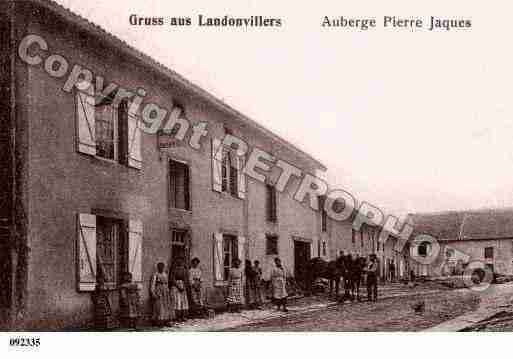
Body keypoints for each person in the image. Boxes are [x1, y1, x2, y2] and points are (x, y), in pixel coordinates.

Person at [150, 262, 173, 326]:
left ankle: (166, 320)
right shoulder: (155, 275)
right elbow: (153, 284)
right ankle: (158, 321)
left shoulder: (165, 274)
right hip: (159, 291)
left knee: (166, 306)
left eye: (162, 267)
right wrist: (153, 293)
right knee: (159, 306)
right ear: (157, 267)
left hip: (165, 291)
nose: (161, 268)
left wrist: (168, 290)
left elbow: (167, 283)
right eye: (160, 267)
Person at [169, 257, 190, 322]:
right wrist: (178, 286)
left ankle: (183, 316)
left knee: (183, 301)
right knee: (176, 301)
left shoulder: (184, 269)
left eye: (181, 261)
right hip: (176, 286)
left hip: (182, 285)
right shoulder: (174, 269)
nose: (180, 262)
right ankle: (176, 317)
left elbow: (186, 279)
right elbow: (172, 279)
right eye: (178, 261)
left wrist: (184, 286)